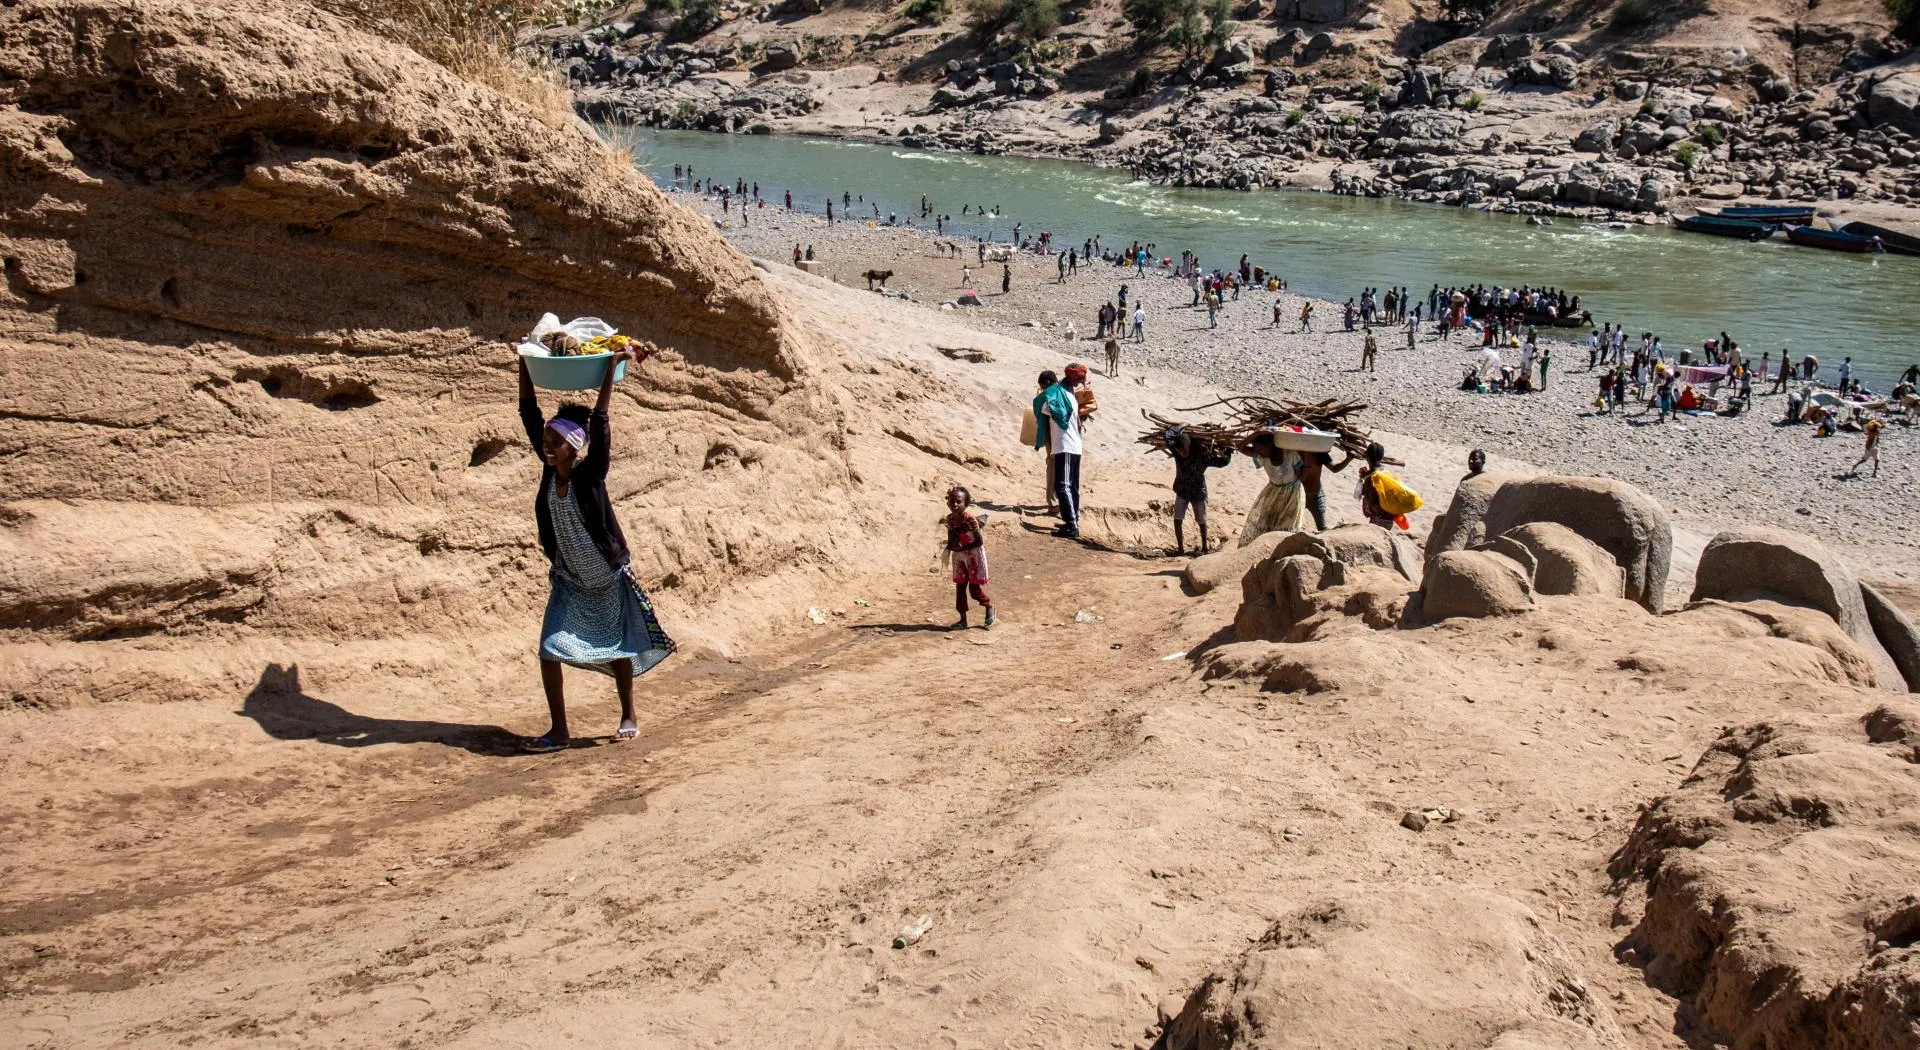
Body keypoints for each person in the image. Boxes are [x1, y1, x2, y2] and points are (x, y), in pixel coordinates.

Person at [516, 346, 675, 754]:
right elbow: (528, 414)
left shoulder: (590, 477)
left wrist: (609, 370)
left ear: (574, 447)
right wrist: (524, 362)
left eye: (556, 442)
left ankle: (628, 715)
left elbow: (601, 422)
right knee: (548, 648)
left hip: (605, 578)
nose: (547, 447)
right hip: (570, 580)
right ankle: (559, 732)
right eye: (546, 442)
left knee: (618, 648)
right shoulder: (550, 473)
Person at [1031, 369, 1084, 539]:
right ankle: (1073, 520)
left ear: (1047, 384)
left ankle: (1071, 525)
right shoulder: (1069, 395)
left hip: (1065, 445)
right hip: (1074, 446)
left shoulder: (1054, 394)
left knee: (1063, 485)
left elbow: (1042, 406)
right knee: (1071, 486)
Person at [1168, 429, 1233, 555]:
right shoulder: (1177, 453)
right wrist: (1181, 426)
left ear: (1188, 447)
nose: (1182, 453)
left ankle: (1205, 547)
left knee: (1201, 520)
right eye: (1179, 451)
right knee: (1177, 519)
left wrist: (1228, 451)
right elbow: (1169, 436)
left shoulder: (1201, 456)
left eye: (1184, 450)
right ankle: (1180, 549)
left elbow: (1222, 463)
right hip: (1182, 490)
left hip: (1198, 492)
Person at [1237, 431, 1307, 547]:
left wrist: (1304, 457)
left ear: (1270, 446)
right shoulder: (1262, 457)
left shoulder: (1290, 455)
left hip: (1293, 494)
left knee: (1287, 527)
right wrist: (1256, 433)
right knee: (1266, 523)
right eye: (1256, 450)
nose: (1258, 452)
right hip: (1273, 493)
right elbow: (1240, 447)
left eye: (1261, 449)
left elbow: (1302, 477)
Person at [941, 486, 996, 629]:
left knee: (974, 590)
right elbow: (951, 537)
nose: (954, 504)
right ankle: (963, 620)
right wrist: (951, 547)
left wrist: (961, 547)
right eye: (952, 501)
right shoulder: (950, 520)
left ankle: (988, 606)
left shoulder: (970, 520)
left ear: (966, 504)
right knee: (960, 589)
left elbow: (979, 542)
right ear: (947, 502)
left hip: (974, 556)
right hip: (960, 557)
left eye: (958, 501)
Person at [1356, 442, 1419, 531]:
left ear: (1367, 456)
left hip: (1378, 518)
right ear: (1382, 457)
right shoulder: (1385, 471)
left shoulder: (1371, 478)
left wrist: (1364, 482)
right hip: (1389, 516)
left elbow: (1370, 503)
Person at [1299, 447, 1353, 531]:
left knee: (1323, 528)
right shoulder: (1297, 452)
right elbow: (1334, 469)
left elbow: (1334, 468)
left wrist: (1348, 458)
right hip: (1299, 495)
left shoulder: (1319, 453)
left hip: (1316, 495)